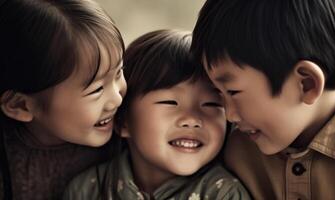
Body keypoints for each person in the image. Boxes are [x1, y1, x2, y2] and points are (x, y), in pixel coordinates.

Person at [64, 29, 250, 200]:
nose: (192, 119)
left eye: (211, 104)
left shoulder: (224, 194)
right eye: (170, 102)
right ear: (123, 122)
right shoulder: (89, 189)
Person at [191, 0, 335, 199]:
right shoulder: (234, 147)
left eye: (232, 91)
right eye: (218, 94)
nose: (229, 115)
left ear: (307, 84)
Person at [0, 0, 126, 199]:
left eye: (119, 73)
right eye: (97, 90)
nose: (117, 99)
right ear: (20, 105)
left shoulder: (129, 134)